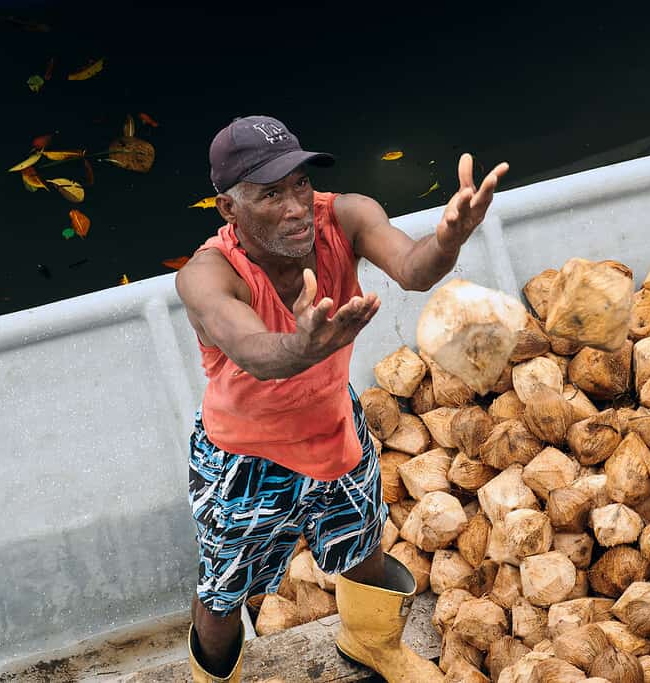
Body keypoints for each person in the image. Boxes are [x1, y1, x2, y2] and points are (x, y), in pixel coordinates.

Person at [174, 114, 508, 683]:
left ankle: (370, 644)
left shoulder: (347, 216)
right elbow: (253, 349)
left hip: (333, 427)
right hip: (243, 459)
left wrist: (449, 240)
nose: (297, 206)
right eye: (270, 194)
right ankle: (213, 677)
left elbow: (412, 266)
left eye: (300, 183)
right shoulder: (206, 274)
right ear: (230, 210)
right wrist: (302, 345)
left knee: (362, 544)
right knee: (224, 590)